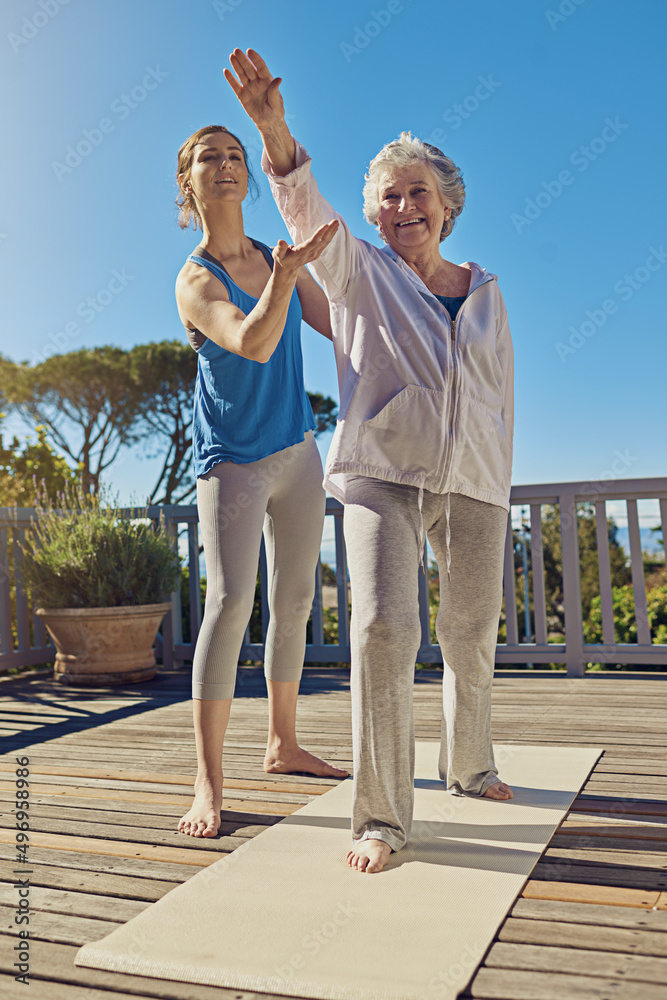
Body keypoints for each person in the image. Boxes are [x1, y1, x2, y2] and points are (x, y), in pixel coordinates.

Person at [226, 49, 515, 872]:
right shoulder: (359, 272)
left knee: (469, 636)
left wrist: (495, 475)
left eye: (416, 192)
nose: (401, 206)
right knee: (385, 626)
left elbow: (498, 398)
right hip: (380, 473)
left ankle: (468, 763)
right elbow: (305, 210)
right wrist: (273, 130)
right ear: (375, 216)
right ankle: (382, 818)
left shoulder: (487, 291)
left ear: (447, 207)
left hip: (474, 483)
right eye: (387, 197)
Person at [173, 123, 347, 839]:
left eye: (234, 155)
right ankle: (207, 781)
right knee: (231, 602)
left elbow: (339, 326)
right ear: (188, 186)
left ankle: (283, 743)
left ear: (246, 177)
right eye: (208, 156)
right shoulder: (194, 280)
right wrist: (285, 273)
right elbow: (253, 340)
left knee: (297, 597)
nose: (224, 164)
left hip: (297, 450)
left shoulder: (278, 259)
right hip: (232, 465)